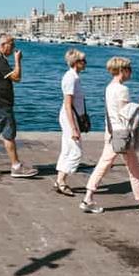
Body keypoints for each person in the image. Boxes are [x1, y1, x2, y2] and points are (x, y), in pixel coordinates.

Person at [80, 56, 139, 216]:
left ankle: (88, 199)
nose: (131, 72)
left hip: (111, 132)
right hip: (123, 135)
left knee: (102, 166)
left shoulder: (109, 87)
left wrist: (135, 106)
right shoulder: (122, 89)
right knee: (135, 170)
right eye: (129, 69)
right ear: (122, 70)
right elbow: (125, 113)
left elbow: (116, 111)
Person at [0, 34, 38, 178]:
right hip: (0, 104)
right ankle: (16, 166)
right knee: (8, 134)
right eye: (12, 45)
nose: (14, 48)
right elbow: (17, 77)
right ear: (4, 45)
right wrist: (18, 61)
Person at [54, 48, 87, 196]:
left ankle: (59, 180)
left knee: (67, 149)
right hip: (70, 118)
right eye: (83, 61)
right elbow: (68, 104)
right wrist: (73, 127)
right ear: (76, 63)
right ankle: (61, 181)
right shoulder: (71, 78)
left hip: (71, 117)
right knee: (76, 152)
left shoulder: (74, 77)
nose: (86, 63)